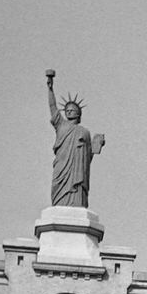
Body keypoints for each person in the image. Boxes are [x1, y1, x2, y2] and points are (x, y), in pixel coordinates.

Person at [46, 69, 104, 207]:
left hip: (78, 173)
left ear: (78, 113)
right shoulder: (61, 125)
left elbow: (87, 159)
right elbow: (53, 107)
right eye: (67, 110)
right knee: (57, 188)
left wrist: (96, 147)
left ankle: (77, 203)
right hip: (62, 166)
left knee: (78, 194)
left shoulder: (84, 132)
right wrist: (50, 89)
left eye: (72, 109)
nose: (69, 111)